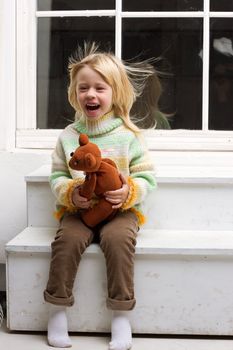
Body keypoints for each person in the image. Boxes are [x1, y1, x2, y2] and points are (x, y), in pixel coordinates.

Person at [44, 42, 158, 349]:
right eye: (83, 88)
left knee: (118, 241)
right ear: (75, 93)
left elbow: (147, 176)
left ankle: (120, 317)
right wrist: (69, 193)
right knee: (66, 241)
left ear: (115, 93)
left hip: (120, 211)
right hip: (79, 210)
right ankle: (57, 310)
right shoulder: (68, 136)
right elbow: (56, 175)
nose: (90, 95)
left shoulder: (129, 136)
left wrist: (129, 191)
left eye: (99, 88)